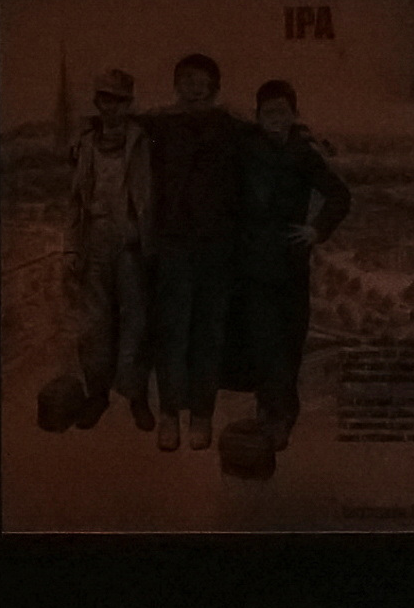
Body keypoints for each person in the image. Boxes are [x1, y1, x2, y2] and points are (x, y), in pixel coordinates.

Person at [224, 78, 352, 476]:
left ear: (294, 114)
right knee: (263, 343)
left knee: (290, 342)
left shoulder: (303, 154)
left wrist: (316, 230)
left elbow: (339, 195)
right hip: (250, 264)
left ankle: (281, 417)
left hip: (291, 264)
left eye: (283, 112)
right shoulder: (246, 146)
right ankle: (271, 417)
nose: (275, 120)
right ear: (257, 116)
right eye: (268, 113)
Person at [133, 53, 247, 458]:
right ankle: (169, 415)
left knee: (209, 334)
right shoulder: (160, 122)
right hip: (175, 242)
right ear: (176, 83)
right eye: (187, 79)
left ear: (214, 86)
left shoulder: (231, 125)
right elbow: (117, 127)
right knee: (173, 332)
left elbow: (273, 132)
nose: (194, 86)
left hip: (217, 245)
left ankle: (201, 415)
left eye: (202, 80)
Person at [43, 66, 149, 434]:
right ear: (97, 103)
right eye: (106, 99)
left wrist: (144, 233)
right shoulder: (86, 145)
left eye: (120, 101)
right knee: (94, 325)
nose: (112, 108)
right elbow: (75, 204)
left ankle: (137, 397)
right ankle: (98, 395)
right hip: (95, 244)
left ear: (129, 104)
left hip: (133, 246)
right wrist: (71, 250)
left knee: (136, 322)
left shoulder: (144, 140)